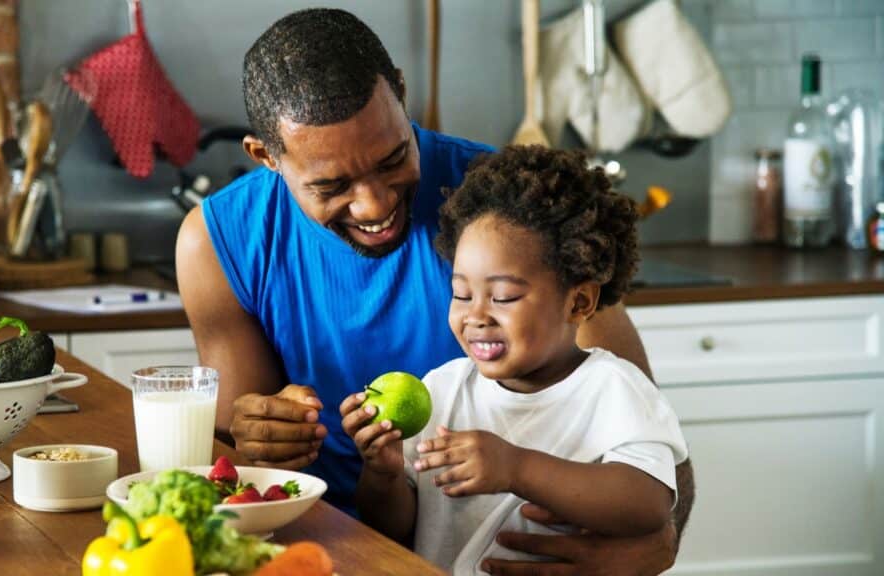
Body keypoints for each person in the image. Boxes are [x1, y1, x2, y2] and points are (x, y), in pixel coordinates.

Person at [176, 7, 694, 574]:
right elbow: (231, 470)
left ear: (401, 91)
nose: (374, 205)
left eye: (393, 158)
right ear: (264, 156)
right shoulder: (219, 241)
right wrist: (259, 439)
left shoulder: (511, 215)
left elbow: (657, 460)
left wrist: (653, 548)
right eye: (332, 185)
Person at [340, 146, 689, 573]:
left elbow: (647, 503)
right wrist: (384, 474)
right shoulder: (443, 389)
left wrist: (517, 467)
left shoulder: (613, 389)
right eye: (461, 293)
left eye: (503, 296)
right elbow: (395, 528)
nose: (476, 315)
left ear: (578, 302)